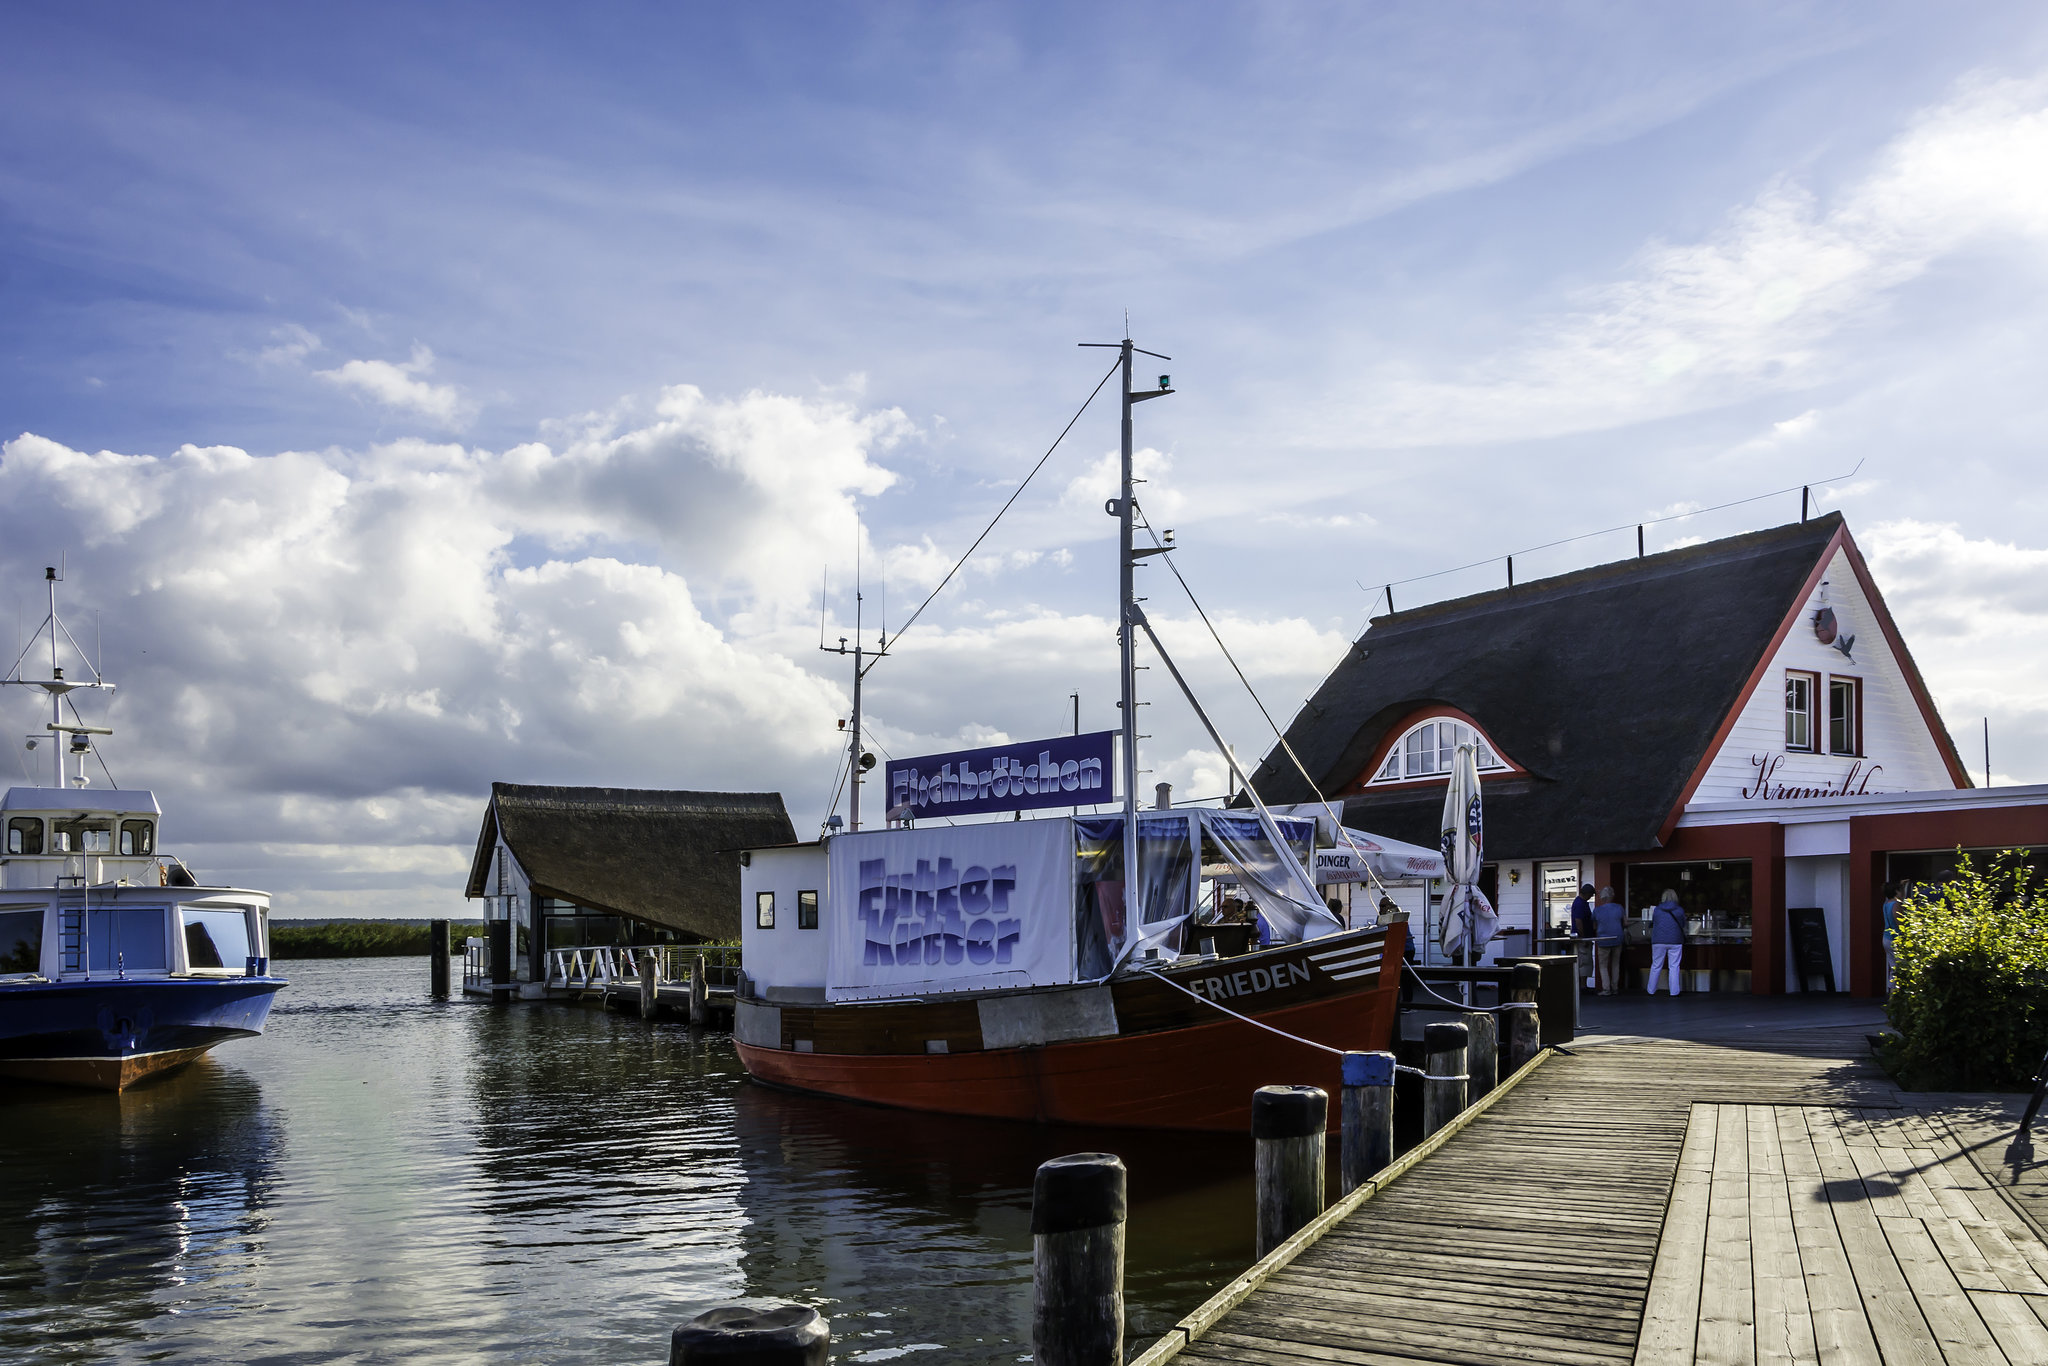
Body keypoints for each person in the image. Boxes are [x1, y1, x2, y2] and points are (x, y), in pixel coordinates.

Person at [1646, 889, 1686, 996]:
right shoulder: (1679, 910)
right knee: (1674, 966)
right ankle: (1674, 991)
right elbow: (1683, 924)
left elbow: (1654, 922)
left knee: (1656, 965)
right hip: (1675, 940)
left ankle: (1651, 990)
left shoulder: (1657, 910)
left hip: (1658, 940)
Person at [1591, 886, 1626, 996]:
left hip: (1603, 940)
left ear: (1602, 897)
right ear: (1612, 896)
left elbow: (1594, 926)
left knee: (1603, 965)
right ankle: (1615, 987)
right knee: (1615, 964)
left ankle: (1606, 989)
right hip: (1617, 938)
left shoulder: (1597, 910)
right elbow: (1625, 923)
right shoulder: (1619, 908)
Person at [1569, 882, 1597, 987]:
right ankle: (1582, 986)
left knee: (1585, 961)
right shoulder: (1580, 904)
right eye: (1591, 894)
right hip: (1582, 938)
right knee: (1584, 962)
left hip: (1583, 936)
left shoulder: (1581, 903)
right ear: (1587, 893)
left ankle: (1582, 985)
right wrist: (1583, 937)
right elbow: (1579, 922)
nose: (1591, 897)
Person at [1881, 882, 1901, 995]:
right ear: (1896, 891)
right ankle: (1897, 995)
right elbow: (1899, 922)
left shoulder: (1886, 903)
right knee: (1900, 968)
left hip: (1886, 938)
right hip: (1895, 939)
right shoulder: (1896, 904)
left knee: (1893, 967)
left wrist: (1901, 884)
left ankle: (1892, 995)